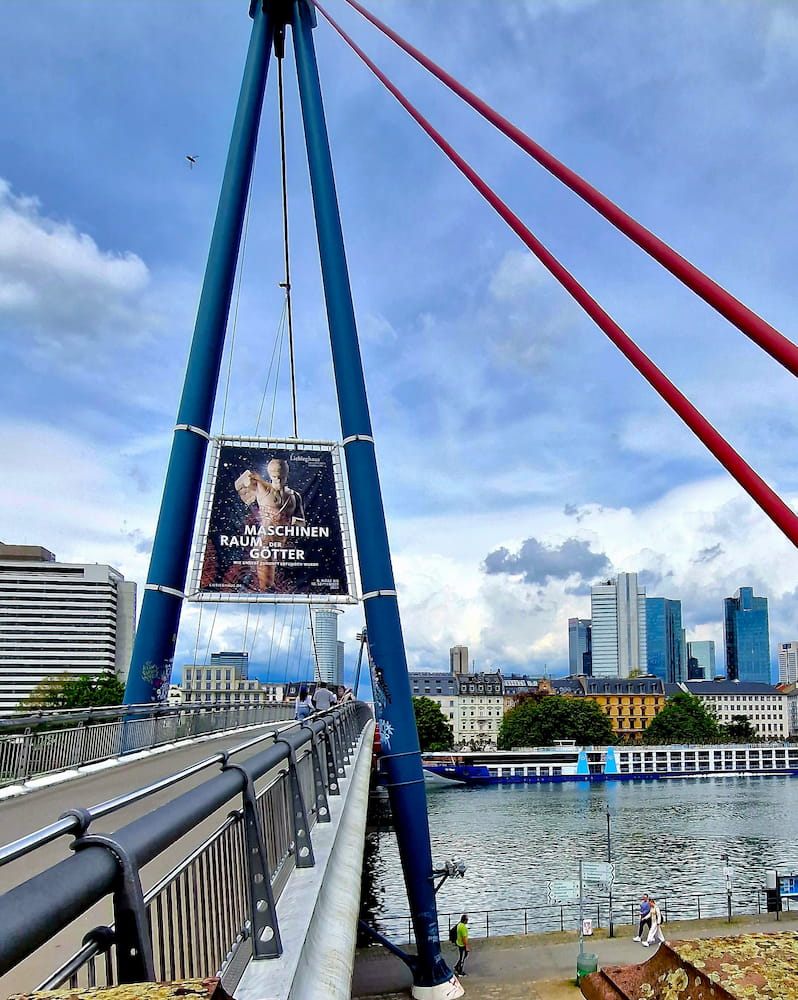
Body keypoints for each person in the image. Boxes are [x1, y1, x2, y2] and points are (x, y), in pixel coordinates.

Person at [235, 458, 305, 592]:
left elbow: (302, 524)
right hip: (265, 544)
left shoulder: (294, 496)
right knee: (267, 587)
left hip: (284, 548)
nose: (277, 479)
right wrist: (247, 477)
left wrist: (289, 520)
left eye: (280, 476)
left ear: (286, 474)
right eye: (274, 475)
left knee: (280, 587)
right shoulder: (262, 487)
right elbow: (238, 484)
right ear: (269, 474)